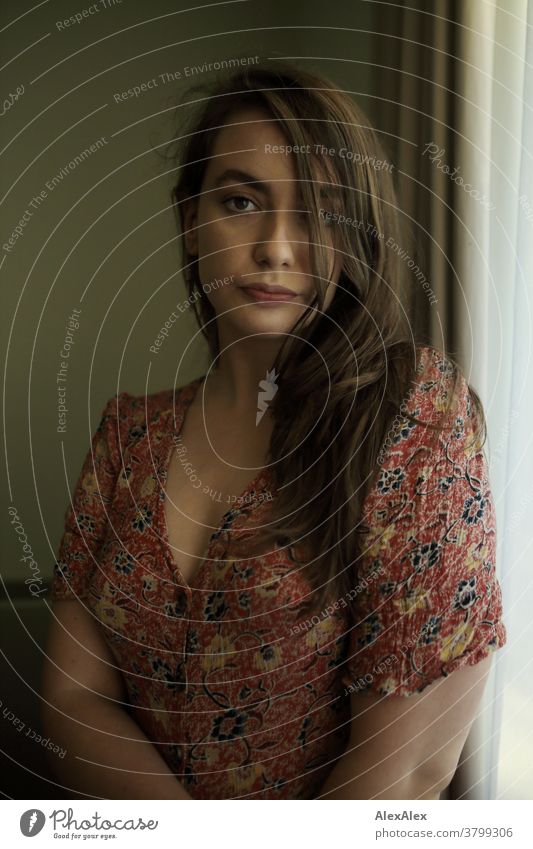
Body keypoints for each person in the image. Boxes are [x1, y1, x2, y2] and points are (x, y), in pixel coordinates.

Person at [41, 60, 507, 800]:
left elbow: (409, 771)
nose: (278, 246)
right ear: (191, 222)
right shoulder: (128, 438)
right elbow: (72, 701)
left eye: (318, 210)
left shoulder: (414, 421)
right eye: (240, 201)